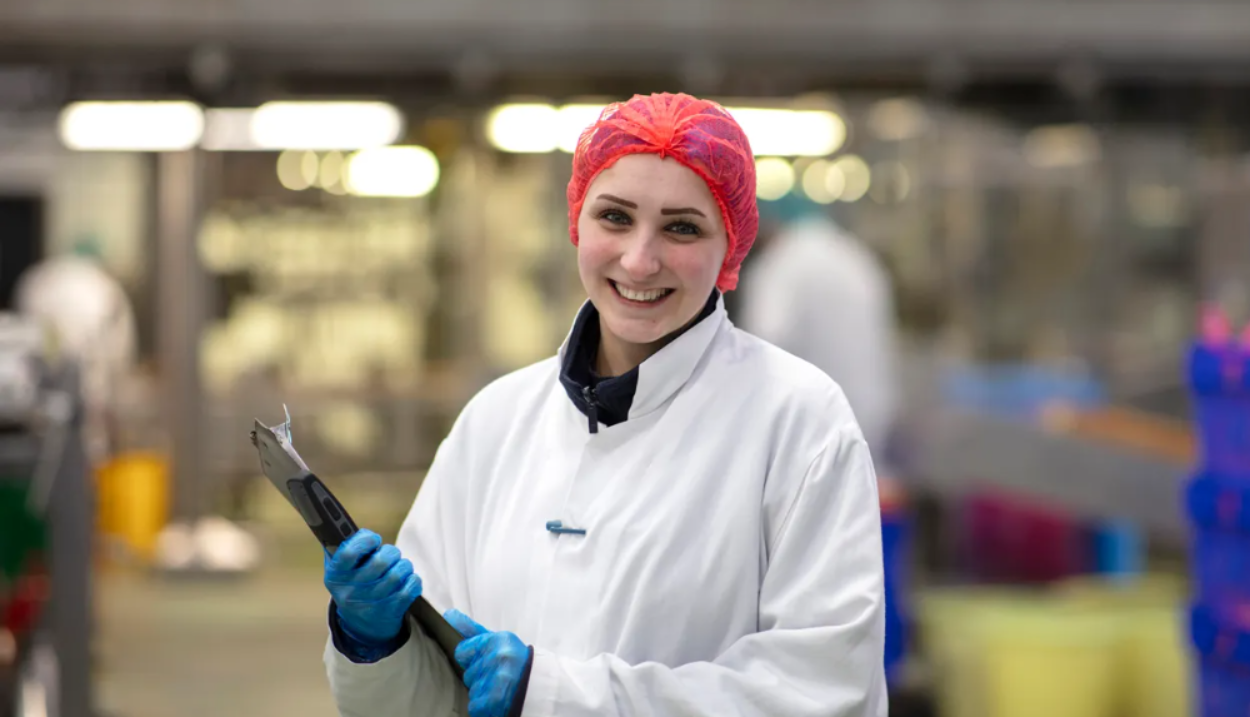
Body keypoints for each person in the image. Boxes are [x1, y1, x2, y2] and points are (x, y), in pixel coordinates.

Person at [322, 93, 888, 717]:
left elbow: (820, 693)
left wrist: (555, 695)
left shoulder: (799, 423)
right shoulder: (496, 422)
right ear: (577, 222)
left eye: (681, 227)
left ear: (731, 246)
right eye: (615, 217)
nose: (640, 260)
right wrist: (377, 644)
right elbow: (429, 700)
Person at [736, 193, 907, 680]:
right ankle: (883, 673)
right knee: (864, 572)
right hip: (869, 432)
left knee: (808, 588)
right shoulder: (855, 257)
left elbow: (763, 349)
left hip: (804, 444)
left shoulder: (785, 267)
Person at [737, 192, 898, 470]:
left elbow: (765, 342)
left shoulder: (782, 264)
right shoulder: (853, 254)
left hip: (808, 426)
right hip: (869, 414)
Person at [13, 235, 137, 463]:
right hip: (84, 388)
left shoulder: (38, 280)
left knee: (47, 452)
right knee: (87, 453)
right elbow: (119, 353)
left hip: (45, 391)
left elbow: (23, 340)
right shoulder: (105, 287)